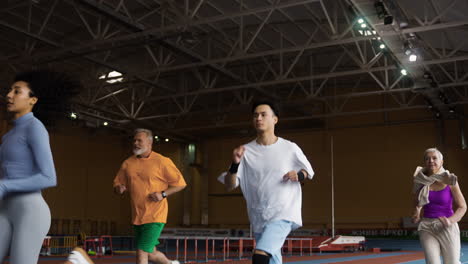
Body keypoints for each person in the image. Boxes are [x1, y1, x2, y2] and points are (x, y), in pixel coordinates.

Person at [0, 70, 87, 264]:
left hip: (29, 211)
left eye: (17, 91)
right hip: (5, 209)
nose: (9, 95)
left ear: (33, 100)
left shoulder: (34, 127)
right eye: (9, 91)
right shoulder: (8, 136)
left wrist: (5, 186)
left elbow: (49, 177)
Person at [218, 101, 314, 264]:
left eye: (263, 115)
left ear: (275, 120)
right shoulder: (245, 151)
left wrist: (299, 175)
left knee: (260, 255)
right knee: (272, 260)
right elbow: (229, 184)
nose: (258, 118)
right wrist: (234, 164)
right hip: (259, 217)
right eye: (255, 115)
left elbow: (309, 171)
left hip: (283, 213)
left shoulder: (289, 148)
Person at [114, 128, 186, 264]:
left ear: (149, 143)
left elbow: (181, 184)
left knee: (141, 252)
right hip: (137, 216)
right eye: (134, 140)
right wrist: (119, 188)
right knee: (150, 253)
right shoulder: (127, 163)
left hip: (155, 215)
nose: (135, 143)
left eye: (139, 140)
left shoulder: (162, 161)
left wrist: (163, 194)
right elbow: (118, 184)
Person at [412, 148, 467, 264]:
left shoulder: (450, 180)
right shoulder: (420, 181)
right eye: (427, 159)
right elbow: (417, 203)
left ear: (441, 162)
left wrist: (450, 221)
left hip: (447, 226)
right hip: (427, 227)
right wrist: (416, 213)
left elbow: (463, 207)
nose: (430, 161)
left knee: (452, 262)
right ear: (424, 163)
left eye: (434, 158)